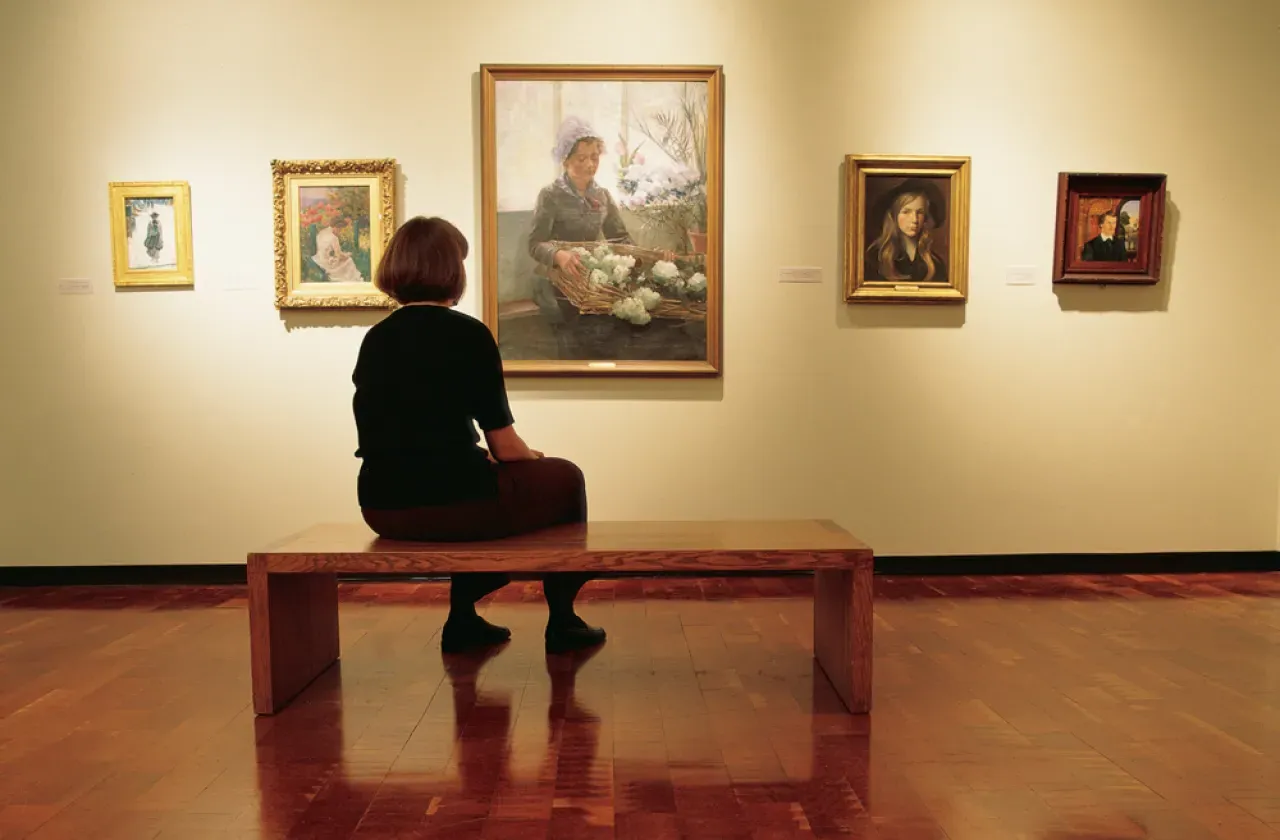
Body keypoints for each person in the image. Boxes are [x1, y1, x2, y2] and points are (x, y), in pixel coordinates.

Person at [351, 215, 604, 656]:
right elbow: (505, 445)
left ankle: (463, 619)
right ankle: (563, 620)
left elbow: (398, 432)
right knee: (566, 478)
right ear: (451, 270)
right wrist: (531, 458)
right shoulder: (467, 334)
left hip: (381, 505)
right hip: (453, 505)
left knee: (478, 479)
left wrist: (469, 456)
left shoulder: (377, 337)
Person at [865, 178, 948, 284]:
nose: (914, 219)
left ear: (926, 217)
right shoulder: (875, 258)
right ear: (894, 216)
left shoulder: (935, 263)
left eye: (920, 212)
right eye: (906, 212)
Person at [312, 213, 365, 283]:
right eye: (340, 229)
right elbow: (339, 255)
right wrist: (347, 255)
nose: (340, 232)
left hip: (320, 259)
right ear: (336, 227)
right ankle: (352, 280)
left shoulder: (322, 232)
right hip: (328, 263)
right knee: (349, 261)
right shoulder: (334, 238)